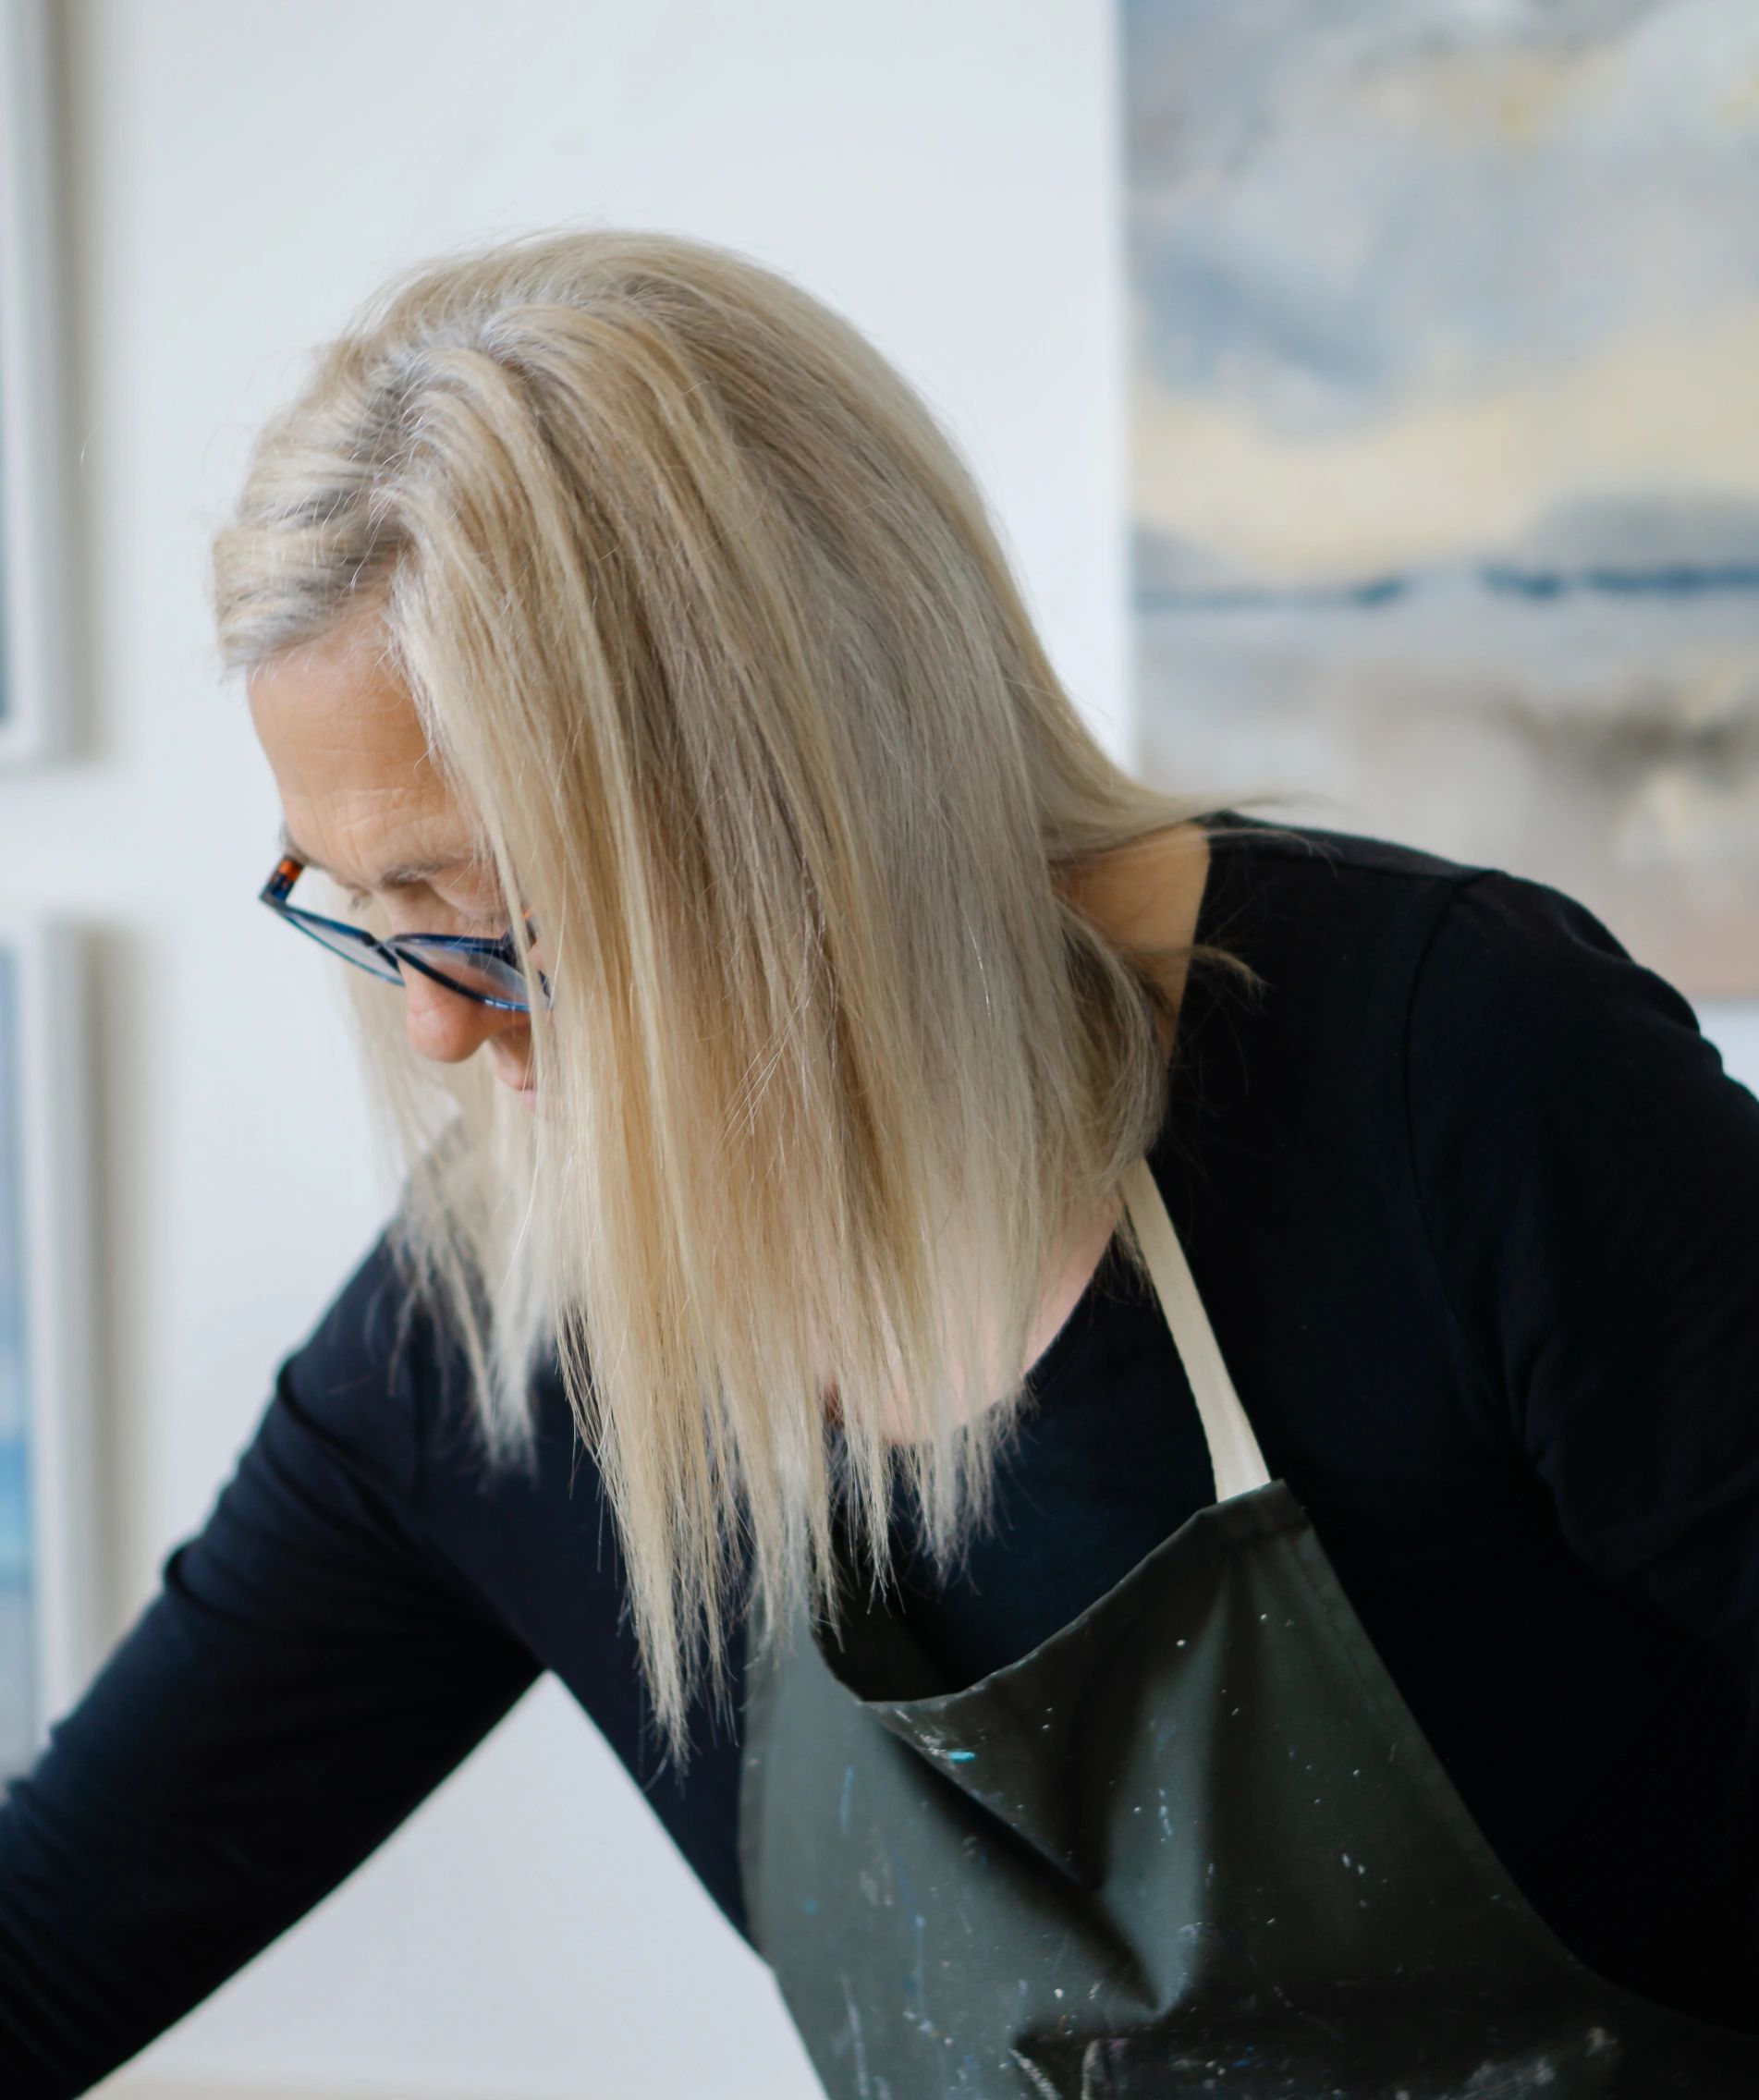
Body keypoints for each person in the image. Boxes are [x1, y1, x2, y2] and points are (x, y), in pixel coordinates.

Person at [1, 230, 1755, 2097]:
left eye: (498, 918)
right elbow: (52, 1940)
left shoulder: (1448, 1071)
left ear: (798, 804)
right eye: (372, 909)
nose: (440, 1027)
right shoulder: (492, 1341)